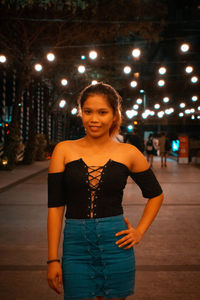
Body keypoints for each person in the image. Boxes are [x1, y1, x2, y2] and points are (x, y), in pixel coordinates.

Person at [47, 82, 163, 300]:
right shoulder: (63, 150)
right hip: (75, 247)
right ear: (80, 112)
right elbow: (55, 207)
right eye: (88, 111)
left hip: (116, 244)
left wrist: (139, 231)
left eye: (102, 112)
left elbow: (156, 194)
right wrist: (52, 259)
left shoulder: (128, 153)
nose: (94, 119)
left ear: (114, 115)